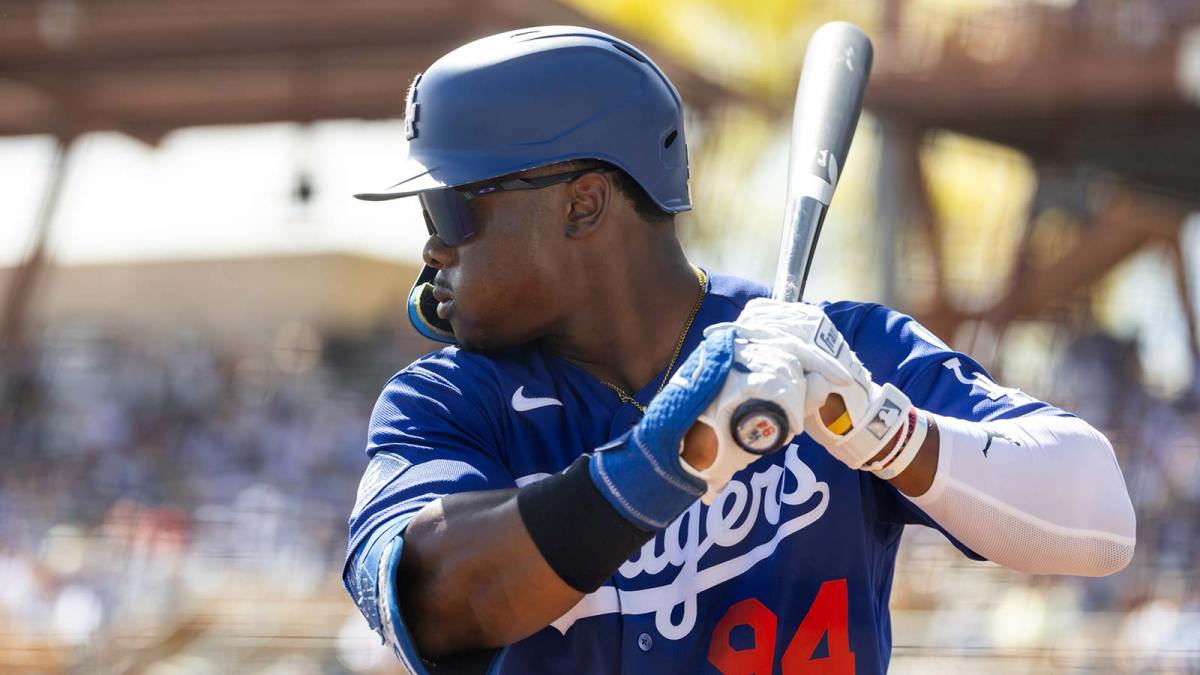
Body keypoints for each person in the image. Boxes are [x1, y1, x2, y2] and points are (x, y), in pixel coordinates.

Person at [344, 26, 1136, 674]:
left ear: (583, 204)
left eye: (449, 210)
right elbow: (437, 599)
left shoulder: (835, 352)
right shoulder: (445, 402)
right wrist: (668, 461)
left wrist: (883, 432)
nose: (431, 248)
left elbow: (1101, 520)